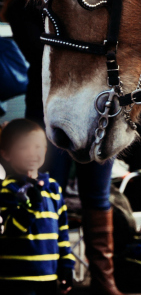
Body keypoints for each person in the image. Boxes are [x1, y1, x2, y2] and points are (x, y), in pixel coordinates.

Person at [2, 0, 124, 295]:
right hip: (46, 113)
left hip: (97, 109)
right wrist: (48, 0)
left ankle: (105, 281)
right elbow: (44, 53)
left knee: (97, 197)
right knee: (44, 192)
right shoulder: (23, 5)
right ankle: (50, 275)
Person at [0, 119, 74, 295]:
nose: (32, 153)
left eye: (37, 146)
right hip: (16, 277)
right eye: (23, 148)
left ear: (46, 150)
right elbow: (11, 230)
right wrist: (32, 206)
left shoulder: (53, 188)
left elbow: (62, 232)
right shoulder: (8, 189)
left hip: (48, 275)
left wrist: (66, 266)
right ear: (6, 154)